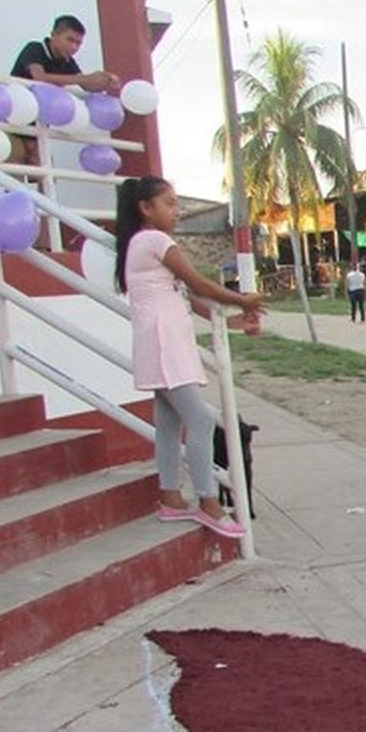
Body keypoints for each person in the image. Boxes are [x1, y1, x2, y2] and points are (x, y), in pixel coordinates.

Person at [113, 176, 265, 539]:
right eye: (169, 203)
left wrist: (232, 320)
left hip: (162, 344)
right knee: (199, 421)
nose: (177, 211)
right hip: (165, 347)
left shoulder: (140, 244)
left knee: (168, 424)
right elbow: (197, 282)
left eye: (177, 203)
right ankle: (208, 502)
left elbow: (185, 296)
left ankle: (170, 497)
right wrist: (241, 299)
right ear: (145, 209)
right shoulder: (155, 240)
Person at [11, 15, 119, 93]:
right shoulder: (35, 48)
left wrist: (105, 82)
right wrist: (85, 78)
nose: (74, 47)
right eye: (70, 40)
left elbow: (85, 85)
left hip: (40, 116)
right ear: (54, 35)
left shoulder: (68, 61)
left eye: (78, 43)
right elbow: (40, 77)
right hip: (15, 110)